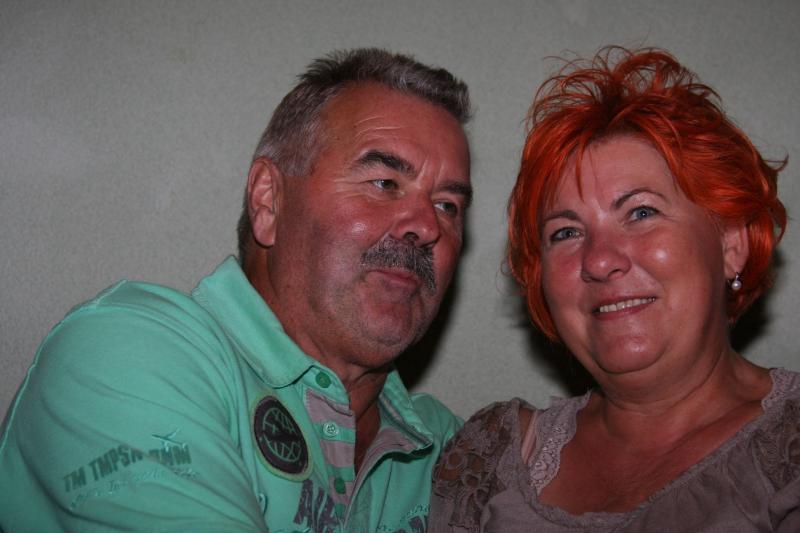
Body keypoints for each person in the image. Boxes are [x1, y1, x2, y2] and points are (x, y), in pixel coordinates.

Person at [0, 48, 472, 532]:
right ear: (268, 202)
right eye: (384, 182)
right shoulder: (124, 354)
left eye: (448, 206)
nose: (426, 227)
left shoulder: (456, 454)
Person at [431, 47, 798, 532]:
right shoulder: (488, 460)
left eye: (641, 213)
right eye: (566, 232)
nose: (600, 260)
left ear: (731, 245)